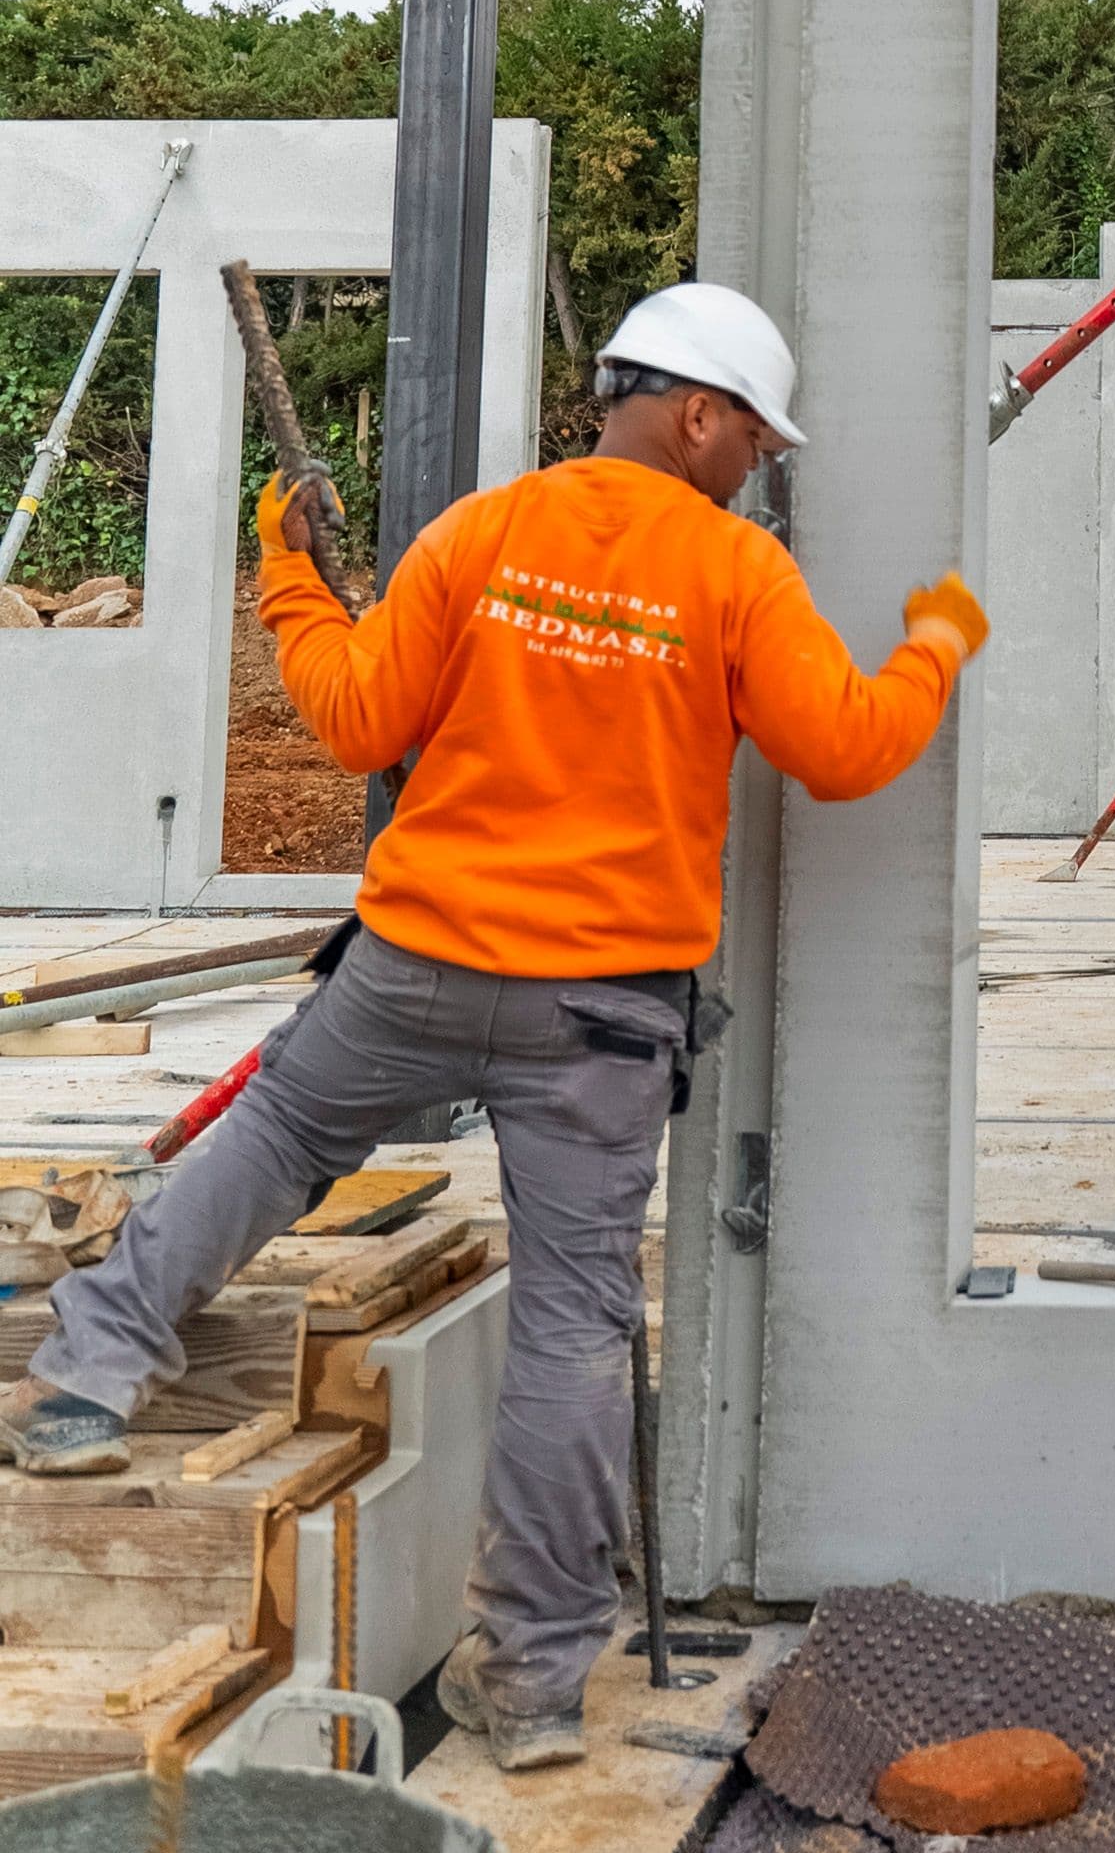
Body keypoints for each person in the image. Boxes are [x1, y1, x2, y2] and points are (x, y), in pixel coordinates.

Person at [1, 282, 988, 1774]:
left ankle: (83, 1383)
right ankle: (528, 1683)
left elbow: (352, 719)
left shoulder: (484, 533)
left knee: (274, 1139)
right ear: (699, 413)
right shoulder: (732, 569)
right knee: (577, 1319)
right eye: (755, 442)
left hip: (415, 964)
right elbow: (844, 750)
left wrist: (287, 576)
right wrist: (937, 642)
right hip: (599, 1013)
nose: (757, 468)